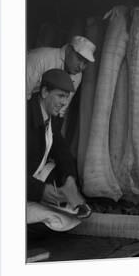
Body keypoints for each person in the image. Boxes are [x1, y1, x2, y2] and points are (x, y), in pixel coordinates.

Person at [27, 68, 91, 225]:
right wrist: (40, 191)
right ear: (44, 92)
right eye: (60, 96)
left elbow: (61, 150)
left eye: (66, 97)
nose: (64, 102)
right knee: (49, 225)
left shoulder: (51, 118)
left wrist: (69, 179)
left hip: (32, 183)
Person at [26, 36, 96, 118]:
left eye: (85, 63)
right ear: (69, 50)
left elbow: (62, 108)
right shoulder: (41, 59)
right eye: (79, 59)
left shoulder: (77, 75)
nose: (81, 66)